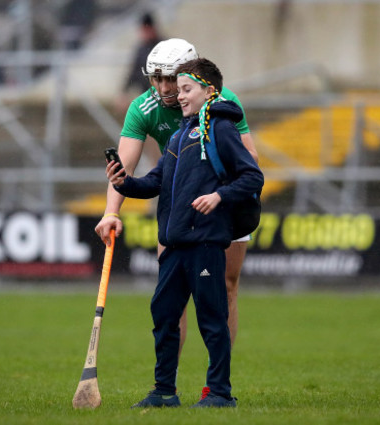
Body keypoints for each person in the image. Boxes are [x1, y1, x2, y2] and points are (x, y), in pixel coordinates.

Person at [94, 38, 259, 400]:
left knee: (223, 293)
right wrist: (114, 205)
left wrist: (220, 198)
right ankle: (166, 388)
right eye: (159, 80)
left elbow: (249, 166)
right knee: (170, 304)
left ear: (198, 82)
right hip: (178, 222)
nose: (168, 90)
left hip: (218, 218)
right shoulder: (156, 118)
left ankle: (216, 388)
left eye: (177, 82)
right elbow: (140, 172)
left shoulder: (223, 108)